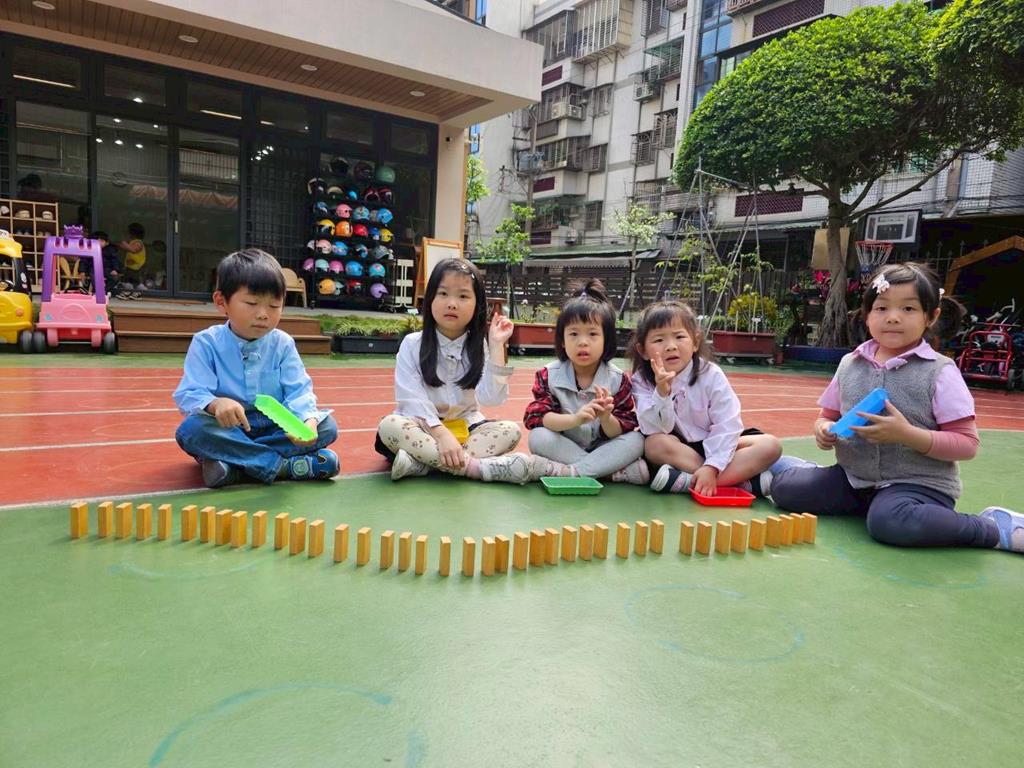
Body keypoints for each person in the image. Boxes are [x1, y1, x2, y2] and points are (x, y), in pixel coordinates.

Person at [767, 262, 1022, 553]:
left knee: (891, 522)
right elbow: (827, 416)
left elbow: (967, 444)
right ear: (867, 315)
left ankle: (992, 528)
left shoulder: (940, 372)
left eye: (908, 308)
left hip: (918, 485)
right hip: (853, 479)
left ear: (931, 316)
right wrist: (824, 430)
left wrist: (906, 435)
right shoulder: (850, 364)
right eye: (882, 308)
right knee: (786, 491)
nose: (893, 317)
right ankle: (813, 475)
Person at [173, 249, 339, 488]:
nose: (263, 315)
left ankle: (234, 464)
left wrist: (307, 420)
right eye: (251, 303)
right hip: (228, 428)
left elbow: (299, 390)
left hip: (275, 426)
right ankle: (281, 466)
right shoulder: (206, 343)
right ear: (221, 302)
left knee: (327, 427)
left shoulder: (283, 343)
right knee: (192, 430)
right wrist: (216, 403)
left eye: (274, 305)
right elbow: (190, 392)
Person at [376, 258, 524, 482]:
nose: (452, 303)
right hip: (422, 427)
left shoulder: (480, 347)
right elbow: (412, 399)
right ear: (430, 299)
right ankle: (473, 467)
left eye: (463, 296)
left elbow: (491, 399)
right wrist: (441, 435)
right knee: (389, 426)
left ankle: (421, 464)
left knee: (510, 431)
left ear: (477, 305)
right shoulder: (412, 344)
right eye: (443, 293)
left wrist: (496, 347)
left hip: (466, 428)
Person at [631, 300, 785, 496]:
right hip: (680, 451)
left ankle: (689, 481)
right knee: (654, 445)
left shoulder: (711, 374)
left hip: (717, 444)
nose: (670, 346)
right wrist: (662, 394)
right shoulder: (641, 381)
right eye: (659, 340)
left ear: (695, 342)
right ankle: (737, 482)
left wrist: (712, 467)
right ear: (643, 351)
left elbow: (727, 424)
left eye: (679, 336)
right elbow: (657, 429)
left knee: (770, 445)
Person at [515, 279, 648, 485]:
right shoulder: (548, 375)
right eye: (574, 334)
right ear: (562, 340)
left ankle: (570, 472)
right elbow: (539, 418)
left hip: (604, 447)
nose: (583, 342)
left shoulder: (618, 379)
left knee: (637, 440)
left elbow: (621, 429)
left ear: (606, 340)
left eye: (593, 334)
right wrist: (576, 419)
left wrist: (606, 418)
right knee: (538, 436)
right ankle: (607, 472)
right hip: (565, 447)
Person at [119, 222, 147, 292]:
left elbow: (133, 250)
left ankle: (143, 291)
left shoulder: (138, 242)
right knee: (129, 281)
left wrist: (124, 244)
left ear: (132, 233)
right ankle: (130, 290)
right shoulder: (132, 242)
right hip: (130, 267)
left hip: (136, 267)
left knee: (132, 282)